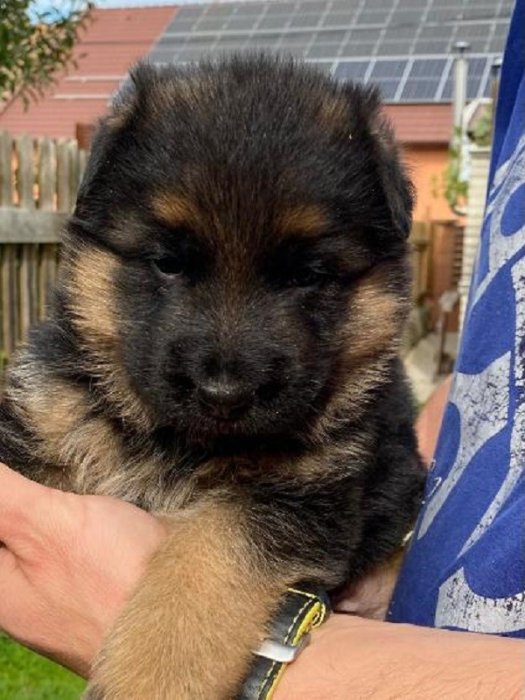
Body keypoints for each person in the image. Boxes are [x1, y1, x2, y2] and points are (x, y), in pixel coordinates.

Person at [0, 0, 524, 696]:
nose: (225, 378)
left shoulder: (325, 441)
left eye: (308, 275)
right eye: (169, 263)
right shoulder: (62, 393)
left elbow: (291, 515)